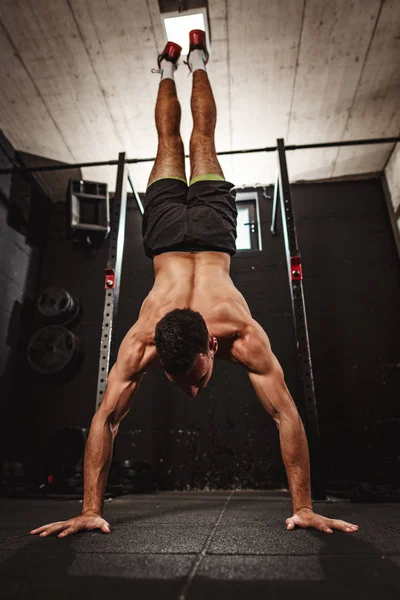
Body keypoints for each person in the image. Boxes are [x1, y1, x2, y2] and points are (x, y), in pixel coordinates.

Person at [31, 31, 358, 539]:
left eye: (196, 378)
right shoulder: (145, 343)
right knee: (187, 142)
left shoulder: (241, 333)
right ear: (160, 347)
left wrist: (306, 506)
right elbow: (105, 420)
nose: (190, 390)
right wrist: (90, 507)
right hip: (203, 233)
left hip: (178, 233)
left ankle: (190, 61)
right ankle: (172, 67)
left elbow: (286, 415)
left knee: (188, 141)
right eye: (183, 380)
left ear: (212, 341)